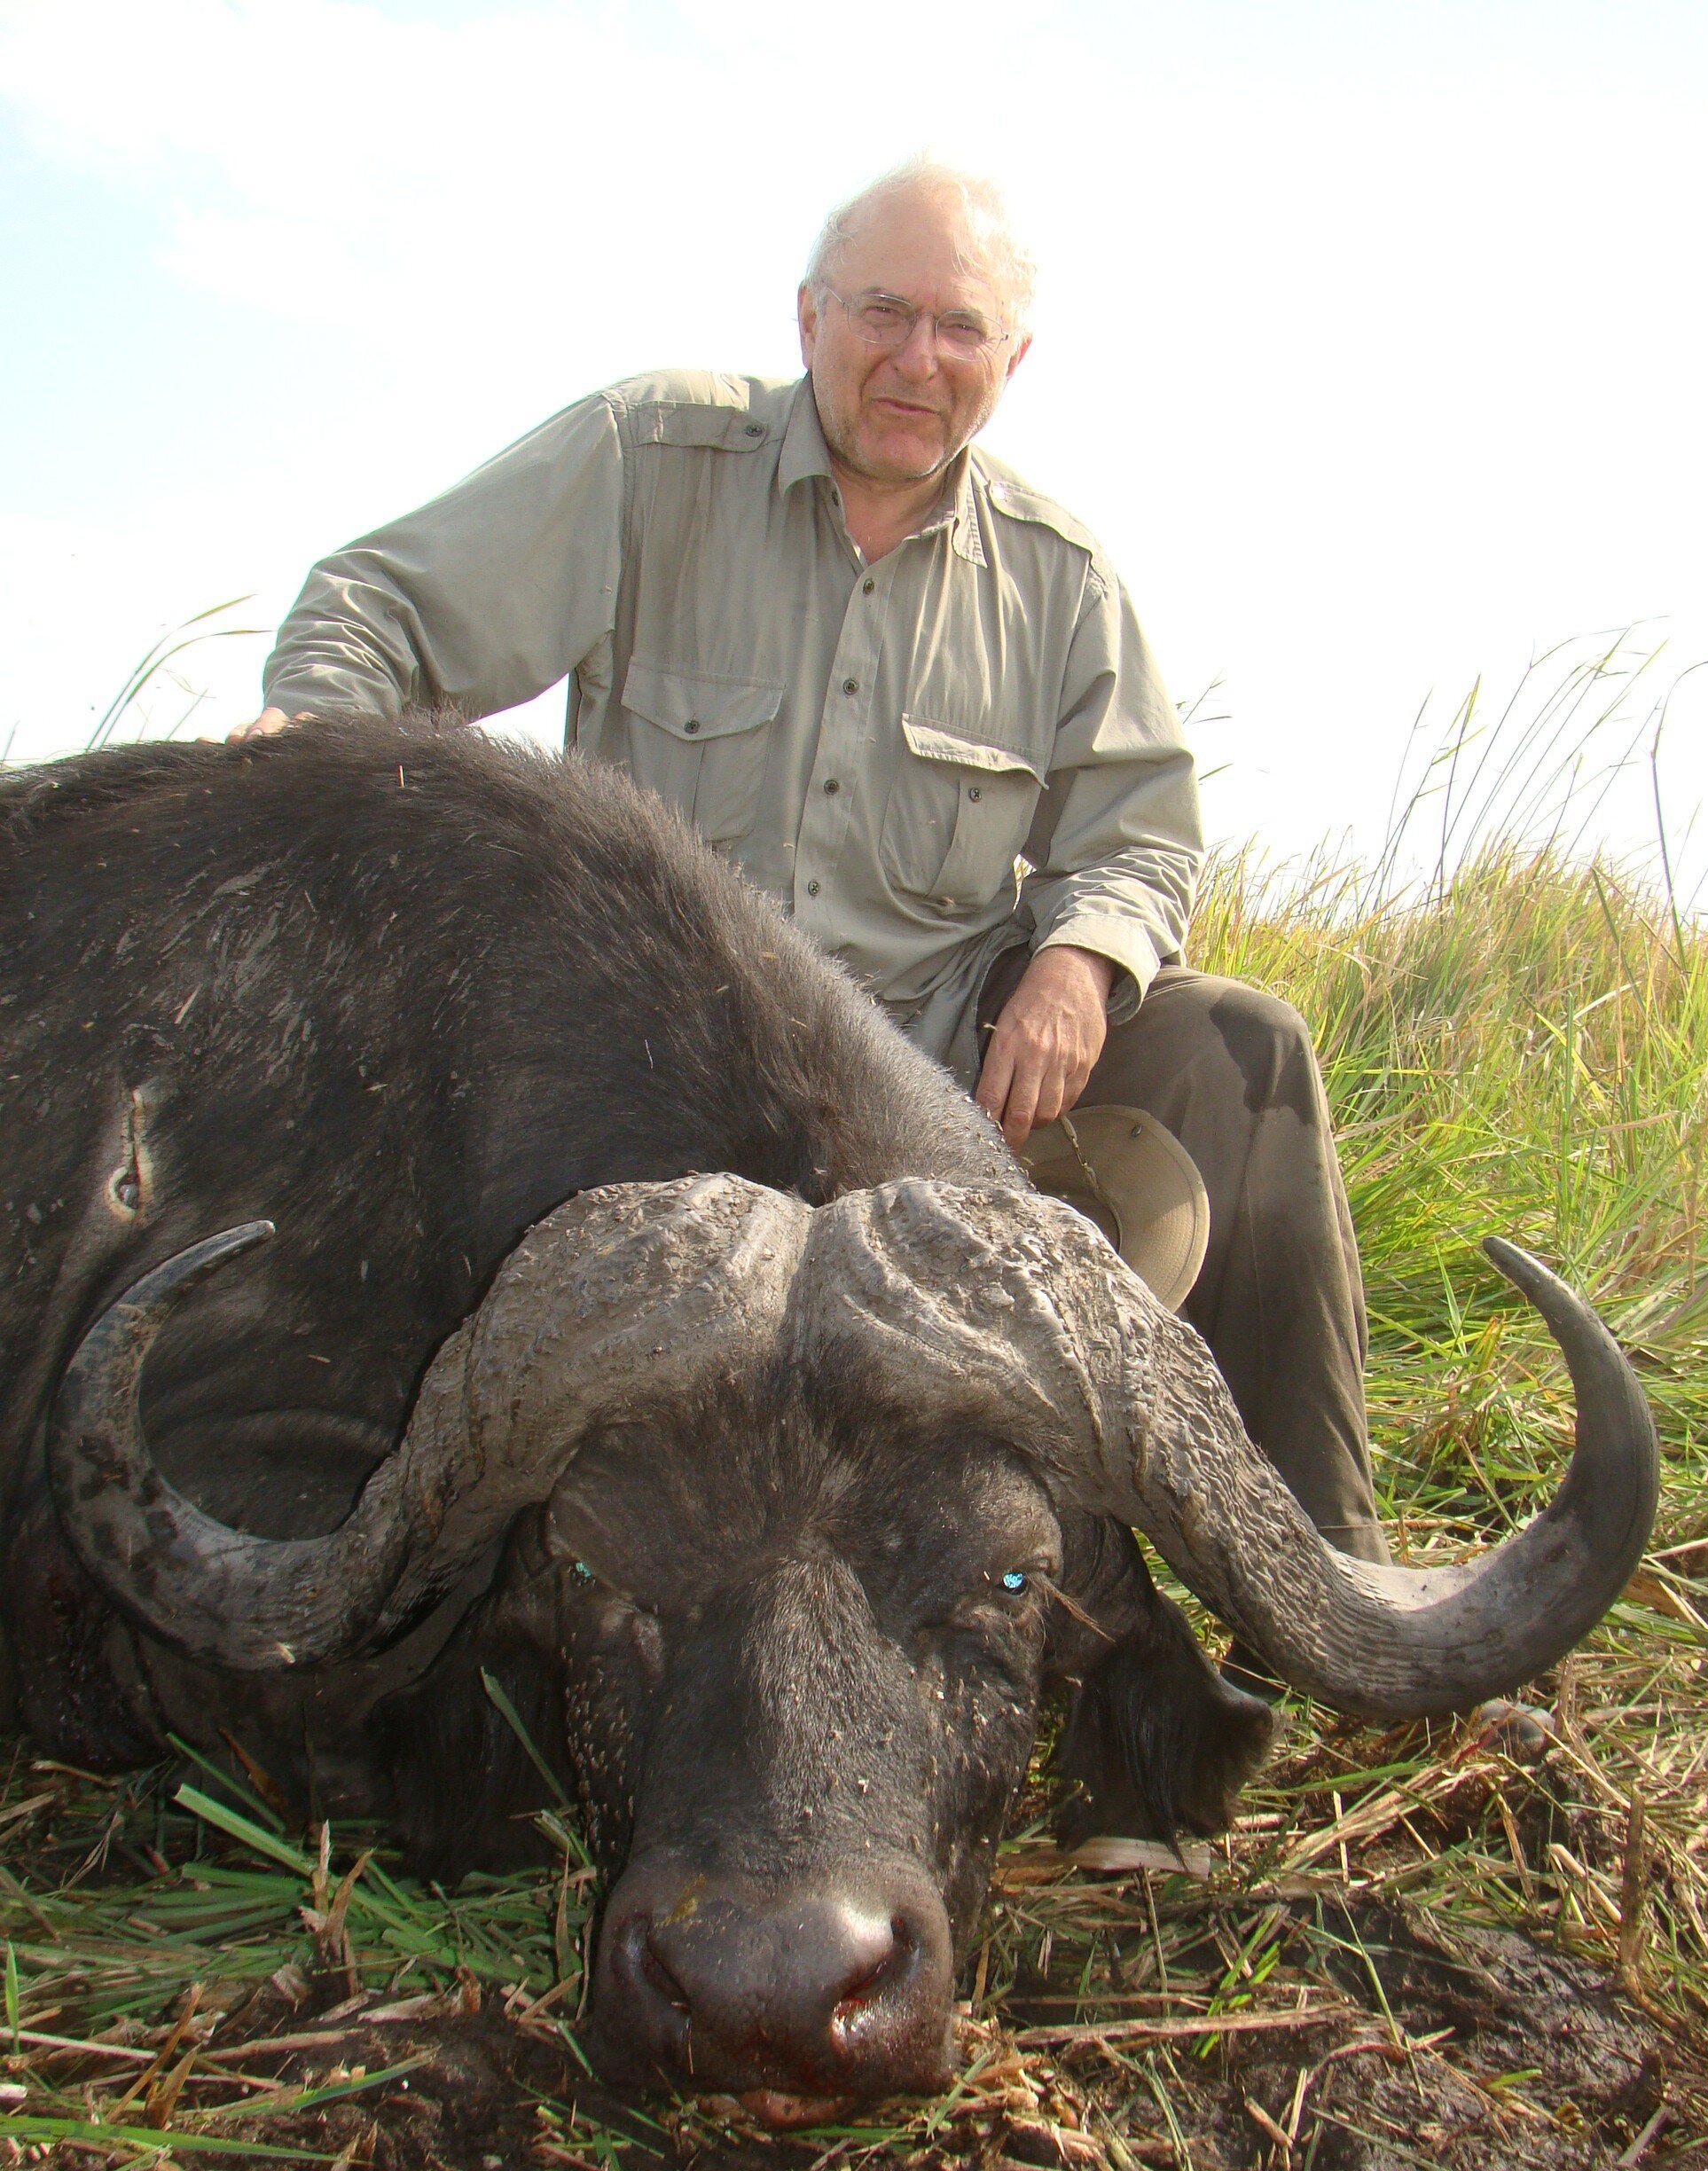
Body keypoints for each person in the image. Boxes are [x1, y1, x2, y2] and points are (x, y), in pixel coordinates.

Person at [235, 159, 1389, 1569]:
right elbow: (373, 613)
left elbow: (1137, 837)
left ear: (1013, 358)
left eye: (960, 328)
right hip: (645, 1095)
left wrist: (1082, 966)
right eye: (881, 313)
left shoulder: (1060, 578)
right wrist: (309, 753)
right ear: (806, 319)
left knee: (1243, 1051)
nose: (916, 359)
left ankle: (1331, 1576)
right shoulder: (644, 453)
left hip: (945, 1113)